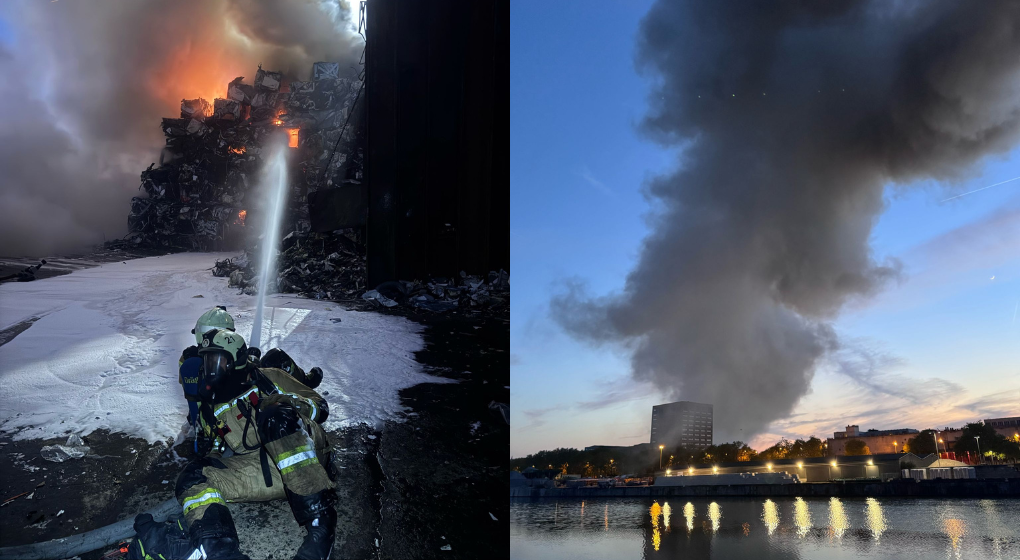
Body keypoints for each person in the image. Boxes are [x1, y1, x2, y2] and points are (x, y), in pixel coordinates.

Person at [175, 328, 337, 560]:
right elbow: (217, 449)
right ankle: (221, 552)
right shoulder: (211, 406)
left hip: (306, 457)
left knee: (274, 417)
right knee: (193, 475)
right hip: (268, 472)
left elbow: (320, 408)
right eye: (207, 361)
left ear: (235, 360)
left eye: (216, 361)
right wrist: (212, 453)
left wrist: (285, 403)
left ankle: (321, 527)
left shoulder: (270, 377)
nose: (210, 369)